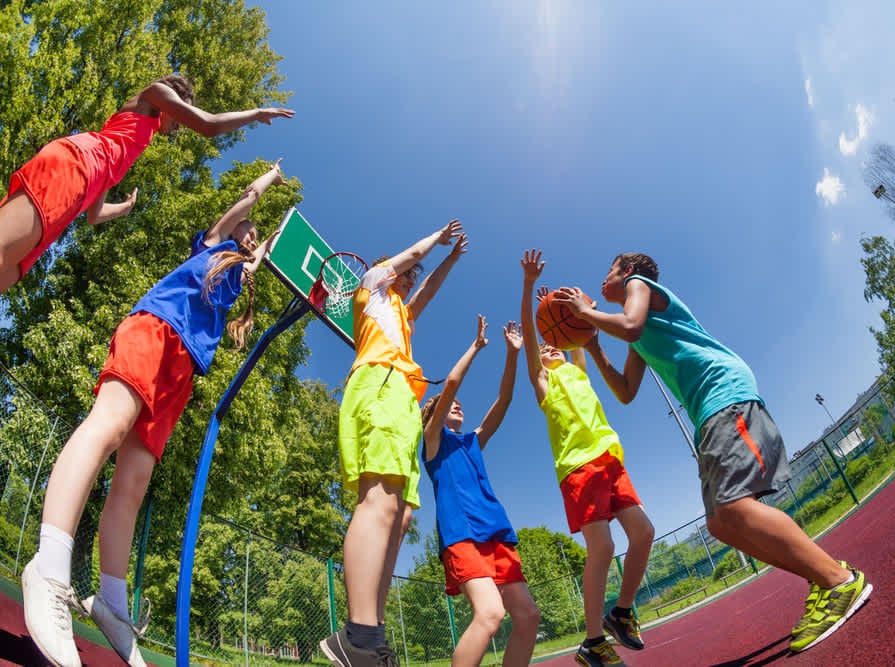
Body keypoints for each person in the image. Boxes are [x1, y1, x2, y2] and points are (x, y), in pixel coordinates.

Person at [20, 161, 288, 667]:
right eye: (246, 230)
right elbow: (244, 203)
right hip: (156, 328)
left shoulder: (237, 280)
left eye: (255, 237)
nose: (250, 237)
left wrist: (281, 235)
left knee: (135, 482)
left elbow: (262, 257)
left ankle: (112, 606)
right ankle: (49, 566)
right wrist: (269, 181)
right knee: (108, 425)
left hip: (181, 369)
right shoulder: (211, 245)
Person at [553, 252, 873, 654]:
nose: (604, 278)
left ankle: (837, 581)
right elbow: (625, 392)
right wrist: (596, 344)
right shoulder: (639, 336)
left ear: (628, 272)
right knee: (723, 524)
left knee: (735, 506)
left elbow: (631, 325)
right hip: (707, 413)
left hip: (725, 394)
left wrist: (586, 312)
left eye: (609, 270)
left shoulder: (642, 289)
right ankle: (823, 579)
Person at [320, 220, 468, 667]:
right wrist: (435, 240)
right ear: (388, 271)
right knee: (379, 503)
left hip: (403, 398)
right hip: (379, 386)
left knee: (400, 518)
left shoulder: (400, 314)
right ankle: (357, 636)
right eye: (406, 272)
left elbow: (426, 294)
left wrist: (451, 259)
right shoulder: (371, 287)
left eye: (412, 275)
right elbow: (404, 261)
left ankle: (373, 634)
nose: (410, 278)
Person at [0, 73, 295, 294]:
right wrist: (256, 113)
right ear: (175, 98)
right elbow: (208, 125)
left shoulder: (129, 145)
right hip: (74, 164)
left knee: (8, 271)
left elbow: (94, 215)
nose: (179, 125)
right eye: (180, 113)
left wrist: (125, 207)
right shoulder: (155, 94)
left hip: (82, 188)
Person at [519, 249, 654, 667]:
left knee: (644, 534)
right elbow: (530, 334)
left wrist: (580, 308)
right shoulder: (543, 382)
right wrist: (529, 288)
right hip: (579, 467)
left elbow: (580, 336)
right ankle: (592, 641)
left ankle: (622, 612)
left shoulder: (577, 368)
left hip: (610, 458)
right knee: (604, 546)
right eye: (544, 349)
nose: (549, 348)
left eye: (553, 345)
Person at [421, 314, 540, 667]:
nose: (455, 403)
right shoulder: (433, 443)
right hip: (462, 535)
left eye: (456, 403)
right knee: (490, 614)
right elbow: (453, 382)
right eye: (447, 404)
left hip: (497, 534)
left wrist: (512, 353)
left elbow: (503, 401)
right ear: (433, 416)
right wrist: (475, 346)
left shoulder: (472, 442)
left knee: (528, 616)